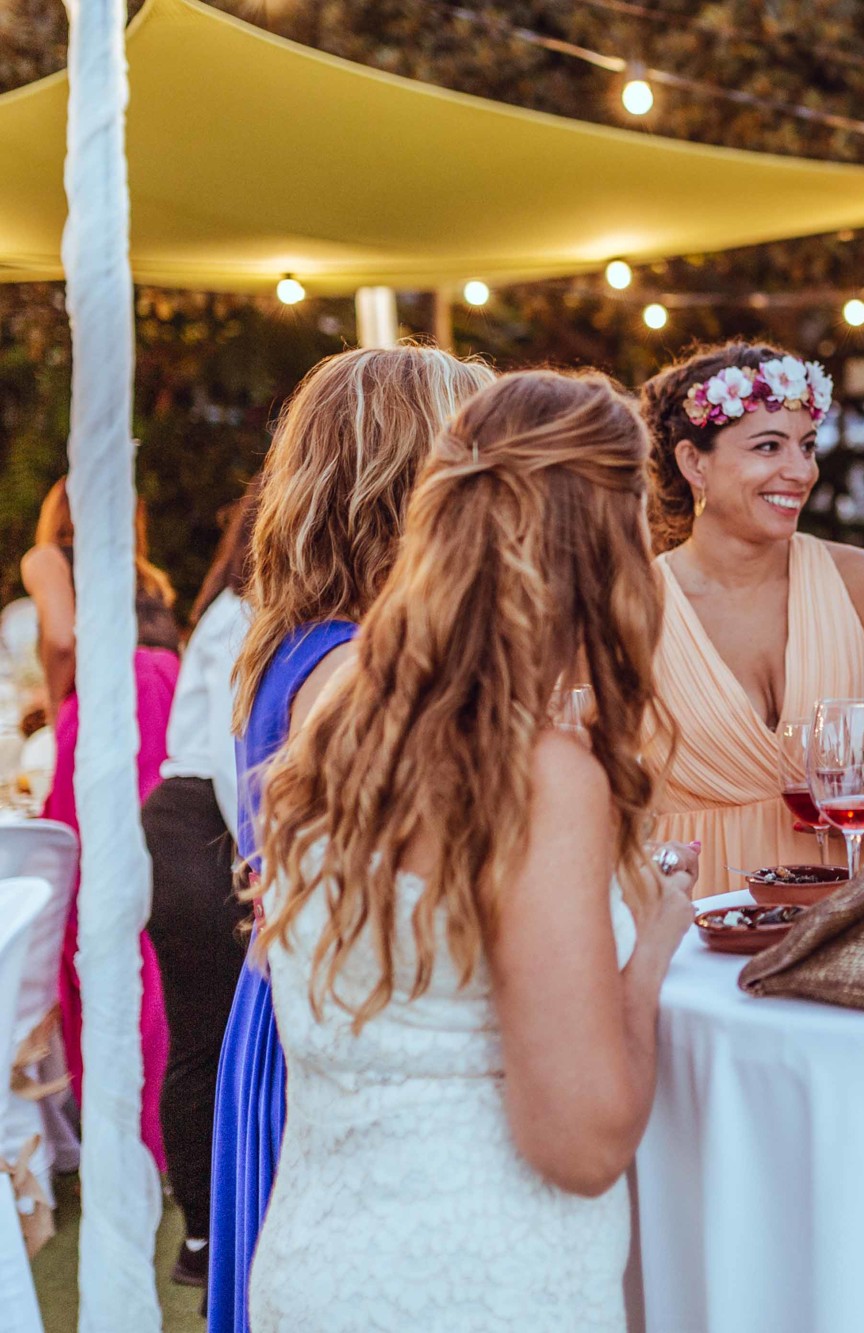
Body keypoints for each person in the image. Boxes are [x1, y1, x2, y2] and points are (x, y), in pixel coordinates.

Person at [247, 369, 698, 1329]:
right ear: (602, 549)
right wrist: (650, 952)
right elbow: (579, 1140)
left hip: (317, 1266)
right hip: (484, 1277)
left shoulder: (333, 740)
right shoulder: (538, 779)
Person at [209, 345, 494, 1333]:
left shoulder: (306, 642)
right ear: (412, 486)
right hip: (342, 1038)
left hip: (296, 1009)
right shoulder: (354, 672)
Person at [636, 341, 864, 896]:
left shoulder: (863, 584)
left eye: (808, 446)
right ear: (693, 462)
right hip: (697, 916)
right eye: (769, 446)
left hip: (846, 905)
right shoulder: (633, 603)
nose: (799, 471)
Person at [23, 475, 179, 1172]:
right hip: (165, 703)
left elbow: (60, 639)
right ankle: (160, 1126)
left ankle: (113, 1128)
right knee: (146, 915)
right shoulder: (148, 576)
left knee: (87, 919)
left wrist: (62, 712)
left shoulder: (48, 558)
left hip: (105, 711)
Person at [143, 484, 258, 1288]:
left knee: (214, 1036)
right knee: (203, 1038)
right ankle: (204, 1237)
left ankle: (217, 1222)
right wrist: (260, 859)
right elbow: (230, 752)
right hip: (198, 828)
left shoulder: (233, 606)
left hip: (204, 826)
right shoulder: (240, 613)